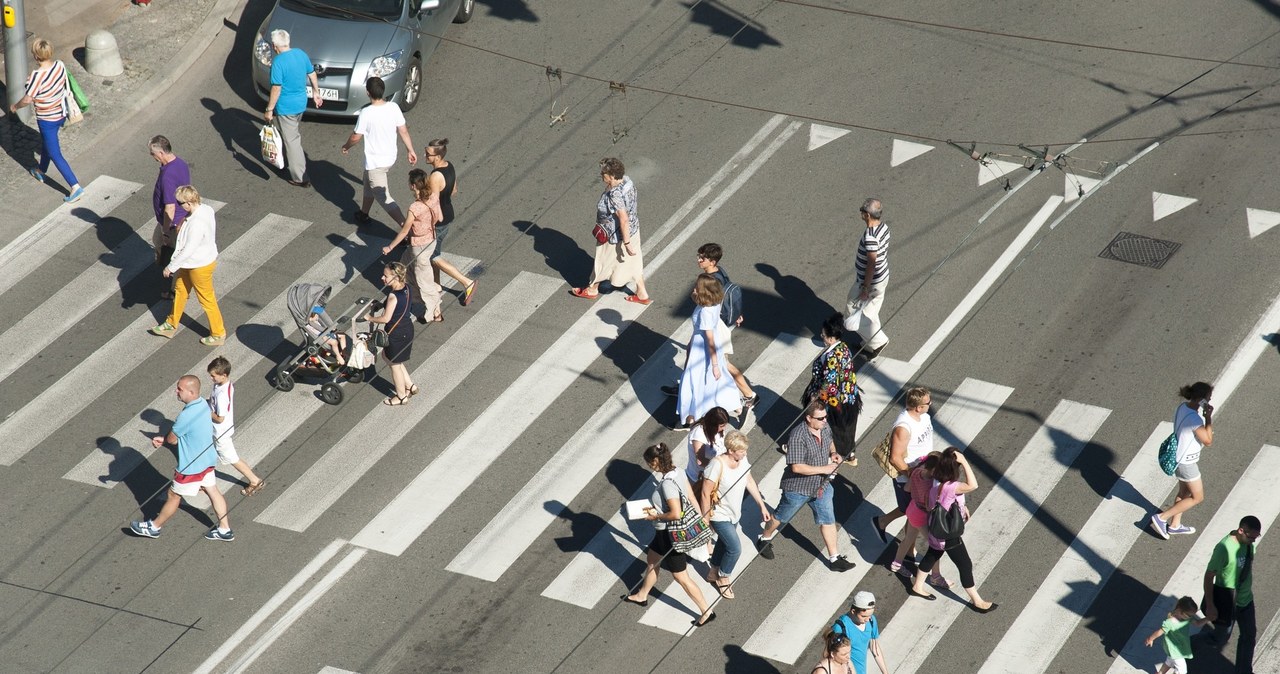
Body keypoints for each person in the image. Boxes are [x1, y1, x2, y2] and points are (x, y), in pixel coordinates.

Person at [622, 443, 716, 627]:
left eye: (649, 462)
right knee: (652, 560)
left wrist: (654, 515)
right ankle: (642, 595)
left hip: (670, 535)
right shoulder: (678, 472)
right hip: (663, 534)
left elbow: (675, 513)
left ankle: (706, 610)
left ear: (656, 461)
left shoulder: (667, 484)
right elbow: (690, 496)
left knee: (681, 577)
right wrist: (701, 519)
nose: (649, 466)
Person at [755, 402, 856, 571]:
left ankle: (834, 558)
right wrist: (825, 468)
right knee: (780, 517)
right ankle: (764, 538)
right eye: (820, 418)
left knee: (828, 520)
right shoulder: (798, 436)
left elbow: (830, 441)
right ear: (809, 418)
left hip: (821, 486)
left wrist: (833, 453)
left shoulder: (824, 427)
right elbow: (797, 467)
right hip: (797, 488)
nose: (825, 420)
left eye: (826, 417)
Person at [130, 375, 233, 541]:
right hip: (207, 460)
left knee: (173, 496)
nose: (176, 391)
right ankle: (224, 529)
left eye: (180, 389)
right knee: (212, 490)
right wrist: (164, 438)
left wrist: (165, 439)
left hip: (191, 467)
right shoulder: (203, 404)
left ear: (191, 392)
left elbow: (173, 439)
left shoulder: (185, 415)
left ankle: (154, 527)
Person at [907, 447, 996, 613]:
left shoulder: (935, 488)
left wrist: (961, 507)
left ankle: (917, 586)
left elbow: (930, 506)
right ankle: (977, 601)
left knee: (932, 555)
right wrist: (964, 461)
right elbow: (973, 485)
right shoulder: (952, 486)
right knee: (965, 565)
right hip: (949, 536)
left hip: (936, 531)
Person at [10, 38, 84, 203]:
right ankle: (41, 170)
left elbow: (28, 99)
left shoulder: (36, 76)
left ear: (36, 56)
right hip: (60, 113)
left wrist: (15, 106)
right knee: (46, 143)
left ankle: (75, 186)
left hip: (47, 120)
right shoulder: (59, 65)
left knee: (55, 154)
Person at [150, 185, 227, 346]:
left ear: (189, 203)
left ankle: (218, 333)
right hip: (194, 262)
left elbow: (188, 250)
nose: (179, 206)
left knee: (207, 299)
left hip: (199, 265)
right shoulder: (206, 209)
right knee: (180, 290)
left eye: (180, 203)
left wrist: (170, 267)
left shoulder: (195, 224)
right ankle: (171, 324)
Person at [699, 430, 769, 600]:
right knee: (735, 549)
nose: (745, 453)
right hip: (719, 514)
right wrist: (705, 518)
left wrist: (762, 506)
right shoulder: (716, 465)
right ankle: (724, 577)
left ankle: (713, 571)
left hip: (734, 513)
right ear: (731, 450)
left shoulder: (742, 459)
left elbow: (749, 480)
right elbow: (705, 493)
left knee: (723, 544)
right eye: (741, 451)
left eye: (745, 450)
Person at [570, 157, 651, 303]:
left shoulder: (615, 194)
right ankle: (642, 293)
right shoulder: (627, 181)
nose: (602, 176)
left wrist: (625, 243)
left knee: (602, 262)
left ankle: (592, 289)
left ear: (612, 176)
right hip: (633, 229)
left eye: (604, 174)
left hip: (616, 235)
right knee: (633, 262)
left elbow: (623, 217)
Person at [342, 76, 417, 226]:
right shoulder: (393, 107)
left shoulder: (366, 113)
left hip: (376, 162)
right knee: (368, 184)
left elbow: (356, 137)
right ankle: (364, 213)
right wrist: (411, 150)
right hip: (389, 158)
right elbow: (403, 130)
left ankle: (406, 228)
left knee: (383, 197)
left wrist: (346, 146)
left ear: (368, 92)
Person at [676, 274, 741, 427]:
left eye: (697, 287)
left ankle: (693, 416)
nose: (694, 288)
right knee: (716, 381)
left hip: (703, 350)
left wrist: (714, 365)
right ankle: (736, 406)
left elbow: (709, 340)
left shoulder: (705, 312)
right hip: (709, 348)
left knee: (697, 382)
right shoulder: (713, 304)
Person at [872, 387, 934, 545]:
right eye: (928, 402)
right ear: (918, 407)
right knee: (914, 511)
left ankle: (883, 523)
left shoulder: (924, 417)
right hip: (909, 476)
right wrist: (914, 476)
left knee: (912, 510)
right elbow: (895, 458)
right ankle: (908, 550)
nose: (931, 403)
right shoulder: (903, 427)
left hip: (923, 471)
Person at [1151, 382, 1214, 539]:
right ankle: (1161, 518)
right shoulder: (1194, 419)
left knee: (1184, 492)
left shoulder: (1183, 407)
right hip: (1187, 463)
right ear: (1202, 400)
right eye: (1209, 398)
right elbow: (1208, 441)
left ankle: (1175, 525)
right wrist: (1208, 418)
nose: (1210, 400)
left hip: (1180, 459)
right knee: (1197, 497)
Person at [382, 168, 444, 324]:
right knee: (403, 267)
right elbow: (440, 217)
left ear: (412, 186)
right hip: (430, 240)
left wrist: (390, 247)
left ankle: (435, 312)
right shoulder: (434, 197)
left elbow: (404, 231)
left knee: (424, 282)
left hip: (419, 246)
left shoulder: (415, 208)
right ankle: (410, 296)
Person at [1203, 515, 1262, 672]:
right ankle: (1183, 646)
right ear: (1241, 530)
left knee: (1249, 636)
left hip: (1245, 600)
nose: (1254, 541)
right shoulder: (1224, 548)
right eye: (1251, 537)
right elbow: (1209, 576)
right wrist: (1210, 605)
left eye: (1257, 537)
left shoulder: (1249, 545)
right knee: (1220, 638)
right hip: (1227, 602)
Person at [264, 29, 322, 187]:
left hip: (286, 107)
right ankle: (288, 160)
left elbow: (276, 88)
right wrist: (316, 92)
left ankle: (300, 177)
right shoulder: (300, 54)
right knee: (291, 134)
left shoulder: (278, 62)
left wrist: (269, 109)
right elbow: (312, 74)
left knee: (292, 141)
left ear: (275, 46)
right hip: (300, 104)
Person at [424, 138, 477, 305]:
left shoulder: (435, 176)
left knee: (433, 256)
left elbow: (433, 204)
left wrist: (427, 221)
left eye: (428, 154)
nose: (425, 155)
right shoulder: (449, 166)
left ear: (438, 156)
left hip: (438, 220)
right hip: (448, 214)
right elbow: (454, 190)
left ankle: (467, 282)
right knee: (435, 251)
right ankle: (437, 286)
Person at [805, 313, 861, 463]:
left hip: (833, 399)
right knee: (847, 427)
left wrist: (816, 396)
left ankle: (830, 452)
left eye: (823, 334)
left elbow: (829, 382)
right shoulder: (843, 347)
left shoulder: (831, 357)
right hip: (848, 395)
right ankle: (850, 453)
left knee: (828, 426)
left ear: (830, 338)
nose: (821, 336)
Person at [890, 450, 950, 589]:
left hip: (912, 509)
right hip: (921, 515)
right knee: (936, 545)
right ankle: (936, 576)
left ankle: (896, 564)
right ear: (934, 469)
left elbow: (907, 488)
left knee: (908, 539)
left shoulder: (916, 472)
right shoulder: (930, 484)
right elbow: (930, 506)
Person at [207, 357, 266, 496]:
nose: (211, 378)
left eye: (213, 376)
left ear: (224, 375)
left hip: (221, 432)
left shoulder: (222, 395)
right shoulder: (222, 385)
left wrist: (206, 411)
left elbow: (220, 418)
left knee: (232, 458)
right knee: (230, 456)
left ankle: (255, 480)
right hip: (217, 430)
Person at [364, 262, 416, 405]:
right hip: (407, 329)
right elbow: (400, 306)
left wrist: (370, 318)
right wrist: (381, 305)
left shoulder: (393, 296)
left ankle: (400, 397)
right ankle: (410, 385)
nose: (382, 278)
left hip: (396, 333)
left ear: (395, 277)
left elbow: (386, 318)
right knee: (389, 358)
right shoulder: (407, 288)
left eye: (386, 276)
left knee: (394, 365)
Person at [846, 198, 890, 357]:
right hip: (882, 278)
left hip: (870, 282)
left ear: (867, 215)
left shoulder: (870, 236)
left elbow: (871, 262)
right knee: (871, 311)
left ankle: (878, 342)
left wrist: (865, 287)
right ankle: (869, 345)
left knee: (852, 311)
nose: (861, 214)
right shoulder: (883, 228)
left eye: (862, 211)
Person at [149, 135, 190, 300]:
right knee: (156, 240)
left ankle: (177, 291)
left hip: (173, 224)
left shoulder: (167, 175)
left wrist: (166, 231)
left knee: (178, 256)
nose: (152, 157)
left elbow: (170, 207)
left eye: (152, 154)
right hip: (176, 220)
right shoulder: (180, 163)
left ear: (160, 153)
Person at [1145, 596, 1211, 674]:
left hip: (1178, 647)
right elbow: (1159, 632)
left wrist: (1208, 618)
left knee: (1170, 661)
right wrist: (1150, 639)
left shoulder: (1186, 618)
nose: (1191, 617)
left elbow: (1197, 623)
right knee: (1182, 671)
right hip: (1174, 648)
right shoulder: (1170, 622)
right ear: (1180, 611)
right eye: (1189, 615)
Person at [829, 591, 890, 674]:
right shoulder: (840, 628)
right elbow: (832, 657)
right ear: (853, 611)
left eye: (870, 615)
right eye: (864, 616)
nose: (867, 619)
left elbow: (874, 648)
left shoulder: (871, 620)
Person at [684, 406, 729, 487]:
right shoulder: (699, 434)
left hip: (716, 473)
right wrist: (720, 469)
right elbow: (700, 461)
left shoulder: (716, 431)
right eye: (722, 426)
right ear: (713, 424)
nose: (724, 428)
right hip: (700, 478)